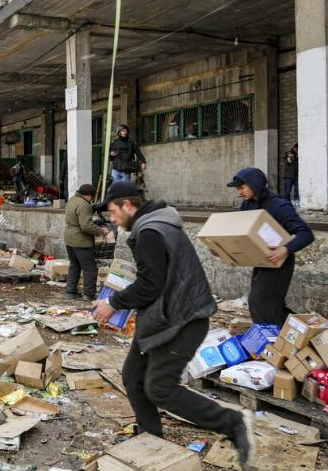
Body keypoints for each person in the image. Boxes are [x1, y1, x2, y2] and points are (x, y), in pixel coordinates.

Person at [91, 181, 257, 469]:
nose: (112, 218)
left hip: (181, 321)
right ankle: (150, 435)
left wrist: (114, 303)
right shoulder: (155, 225)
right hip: (162, 318)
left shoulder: (150, 232)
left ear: (127, 205)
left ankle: (234, 422)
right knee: (133, 375)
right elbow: (155, 279)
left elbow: (149, 285)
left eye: (113, 211)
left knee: (159, 388)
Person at [227, 167, 314, 327]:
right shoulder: (247, 206)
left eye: (242, 187)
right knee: (268, 306)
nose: (239, 192)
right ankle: (305, 330)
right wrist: (222, 248)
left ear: (254, 184)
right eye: (237, 189)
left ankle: (277, 338)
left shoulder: (280, 206)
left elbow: (306, 234)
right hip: (261, 260)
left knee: (260, 303)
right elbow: (239, 233)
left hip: (280, 260)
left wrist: (285, 249)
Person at [64, 184, 109, 301]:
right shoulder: (84, 205)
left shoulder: (73, 199)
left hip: (69, 239)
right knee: (90, 268)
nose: (92, 199)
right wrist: (101, 230)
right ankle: (89, 294)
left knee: (74, 265)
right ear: (89, 195)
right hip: (81, 241)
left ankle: (71, 291)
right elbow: (86, 226)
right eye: (92, 197)